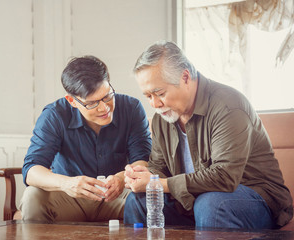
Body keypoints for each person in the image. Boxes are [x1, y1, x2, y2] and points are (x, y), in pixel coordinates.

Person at [123, 40, 293, 229]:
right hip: (194, 201)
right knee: (138, 200)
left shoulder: (228, 106)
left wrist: (160, 185)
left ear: (185, 77)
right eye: (148, 96)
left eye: (160, 93)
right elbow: (158, 167)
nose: (154, 104)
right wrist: (144, 177)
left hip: (253, 198)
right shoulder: (162, 118)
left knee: (212, 204)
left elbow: (224, 177)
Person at [20, 55, 151, 222]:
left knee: (150, 197)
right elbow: (31, 170)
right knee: (32, 197)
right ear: (72, 101)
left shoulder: (131, 108)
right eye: (92, 103)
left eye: (107, 96)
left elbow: (143, 160)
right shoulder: (54, 115)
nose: (104, 108)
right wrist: (66, 184)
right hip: (69, 197)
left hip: (118, 196)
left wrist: (120, 179)